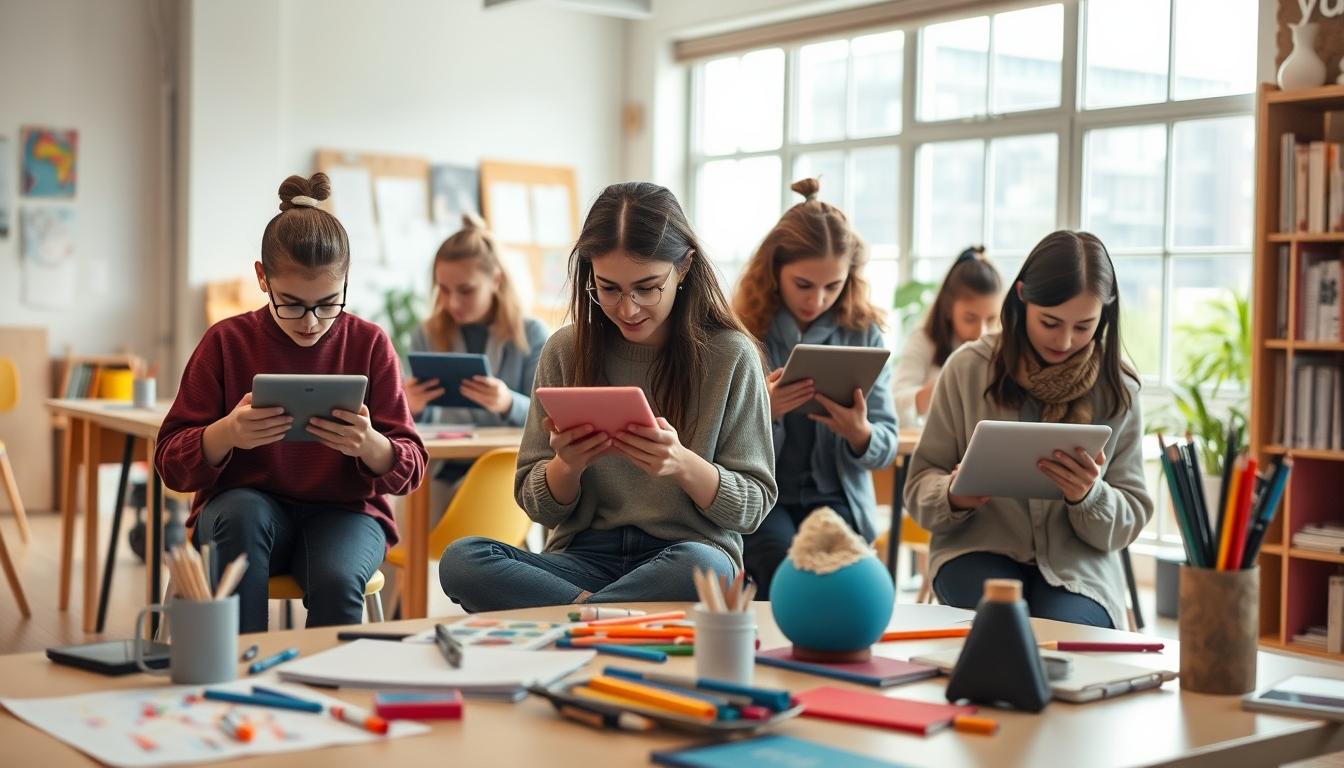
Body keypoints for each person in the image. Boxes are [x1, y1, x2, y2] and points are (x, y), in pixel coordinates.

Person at [437, 181, 777, 612]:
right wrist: (567, 465)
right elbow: (536, 504)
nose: (628, 308)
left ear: (684, 268)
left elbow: (752, 507)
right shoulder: (564, 350)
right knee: (462, 560)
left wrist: (682, 464)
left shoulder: (731, 355)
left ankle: (574, 614)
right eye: (609, 288)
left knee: (707, 566)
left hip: (682, 556)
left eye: (647, 287)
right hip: (582, 559)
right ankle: (603, 615)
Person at [156, 172, 427, 632]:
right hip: (244, 513)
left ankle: (323, 688)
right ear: (262, 278)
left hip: (346, 513)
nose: (310, 322)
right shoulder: (226, 341)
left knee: (339, 579)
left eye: (328, 303)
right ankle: (240, 677)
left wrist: (370, 445)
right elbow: (170, 463)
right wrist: (225, 433)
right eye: (292, 303)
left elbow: (411, 466)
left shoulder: (370, 343)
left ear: (346, 282)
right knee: (241, 516)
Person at [904, 230, 1152, 629]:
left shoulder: (1119, 390)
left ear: (1105, 314)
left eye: (1085, 326)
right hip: (976, 550)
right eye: (1050, 322)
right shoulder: (968, 368)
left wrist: (1090, 496)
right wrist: (954, 495)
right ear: (1022, 296)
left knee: (1069, 636)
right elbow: (918, 489)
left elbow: (1131, 515)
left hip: (1079, 569)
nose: (1065, 340)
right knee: (1003, 627)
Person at [732, 178, 899, 598]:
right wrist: (763, 411)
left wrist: (860, 433)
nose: (818, 299)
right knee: (780, 561)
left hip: (836, 496)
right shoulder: (743, 332)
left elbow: (887, 442)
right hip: (767, 499)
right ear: (774, 272)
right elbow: (713, 439)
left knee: (846, 573)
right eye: (804, 284)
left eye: (833, 286)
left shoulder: (864, 334)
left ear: (850, 277)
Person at [404, 214, 549, 518]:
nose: (453, 302)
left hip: (505, 471)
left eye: (466, 290)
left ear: (495, 280)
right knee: (399, 524)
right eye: (443, 290)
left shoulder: (531, 334)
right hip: (443, 469)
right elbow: (416, 423)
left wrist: (508, 403)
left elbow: (549, 418)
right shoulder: (425, 334)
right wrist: (412, 406)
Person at [893, 246, 1001, 427]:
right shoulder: (924, 340)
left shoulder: (1003, 347)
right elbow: (894, 406)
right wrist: (941, 386)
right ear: (949, 309)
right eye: (970, 318)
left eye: (991, 319)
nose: (981, 332)